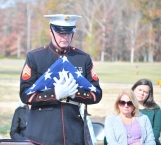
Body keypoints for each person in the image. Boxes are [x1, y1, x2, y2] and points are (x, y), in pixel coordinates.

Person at [20, 14, 102, 145]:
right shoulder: (35, 57)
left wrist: (75, 93)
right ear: (50, 31)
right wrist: (55, 94)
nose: (65, 37)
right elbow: (25, 95)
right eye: (60, 33)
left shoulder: (83, 58)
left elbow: (96, 94)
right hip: (42, 133)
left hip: (74, 132)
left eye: (69, 33)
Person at [132, 78, 161, 145]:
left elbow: (156, 131)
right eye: (139, 90)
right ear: (134, 89)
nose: (141, 93)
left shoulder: (155, 109)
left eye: (145, 92)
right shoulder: (126, 106)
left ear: (149, 94)